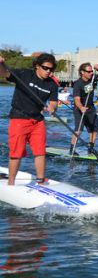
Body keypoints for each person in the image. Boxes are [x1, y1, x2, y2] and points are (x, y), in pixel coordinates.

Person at [0, 54, 59, 185]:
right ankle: (10, 183)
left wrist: (52, 108)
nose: (48, 71)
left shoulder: (52, 84)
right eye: (45, 68)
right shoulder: (24, 74)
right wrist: (1, 64)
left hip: (37, 121)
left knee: (40, 152)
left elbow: (54, 102)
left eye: (51, 69)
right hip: (19, 118)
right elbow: (4, 73)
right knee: (16, 153)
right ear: (37, 66)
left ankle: (40, 181)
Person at [70, 62, 98, 156]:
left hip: (90, 108)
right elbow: (76, 99)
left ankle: (91, 149)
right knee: (79, 130)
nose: (91, 73)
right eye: (88, 71)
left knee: (94, 130)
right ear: (82, 72)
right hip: (79, 109)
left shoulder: (92, 79)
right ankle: (72, 149)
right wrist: (81, 107)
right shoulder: (77, 84)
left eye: (92, 71)